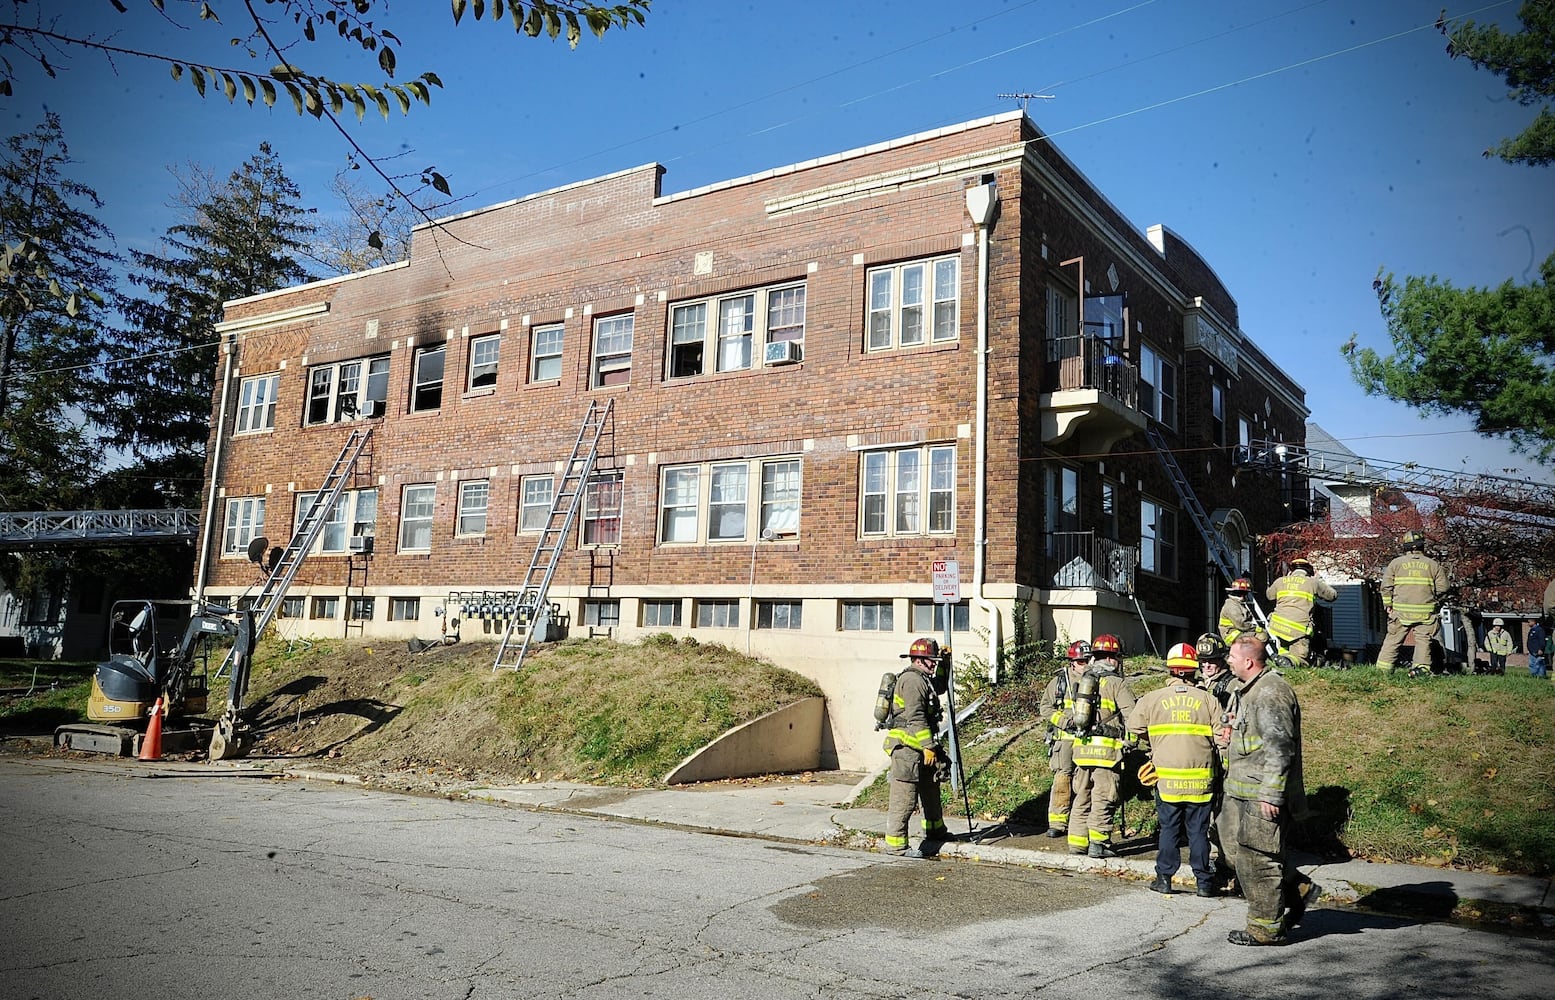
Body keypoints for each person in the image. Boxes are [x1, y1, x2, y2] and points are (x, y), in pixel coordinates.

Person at [1221, 634, 1319, 946]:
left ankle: (1265, 928)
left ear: (1249, 661)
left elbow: (1280, 748)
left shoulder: (1270, 693)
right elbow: (1243, 729)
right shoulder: (1246, 690)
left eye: (1232, 657)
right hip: (1240, 789)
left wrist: (1272, 794)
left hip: (1260, 794)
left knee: (1258, 860)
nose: (1228, 661)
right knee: (1234, 853)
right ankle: (1297, 888)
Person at [1127, 642, 1218, 897]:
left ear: (1170, 670)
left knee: (1169, 829)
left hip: (1167, 779)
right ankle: (1203, 883)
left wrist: (1156, 740)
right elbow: (1223, 736)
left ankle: (1165, 879)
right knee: (1198, 831)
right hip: (1201, 780)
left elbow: (1134, 728)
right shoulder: (1208, 700)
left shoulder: (1151, 700)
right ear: (1194, 671)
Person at [1065, 633, 1138, 858]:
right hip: (1106, 750)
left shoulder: (1082, 679)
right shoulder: (1117, 683)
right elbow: (1133, 717)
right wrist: (1130, 743)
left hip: (1082, 748)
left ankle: (1077, 842)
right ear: (1114, 658)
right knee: (1103, 796)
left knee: (1082, 794)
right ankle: (1099, 843)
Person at [881, 637, 950, 858]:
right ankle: (896, 844)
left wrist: (946, 663)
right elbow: (916, 717)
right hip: (907, 750)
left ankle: (935, 832)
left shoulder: (924, 678)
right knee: (905, 798)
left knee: (931, 789)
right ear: (919, 660)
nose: (934, 664)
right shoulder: (911, 681)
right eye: (932, 660)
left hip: (920, 748)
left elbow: (939, 687)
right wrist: (929, 746)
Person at [1196, 631, 1241, 890]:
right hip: (1204, 757)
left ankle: (1229, 867)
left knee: (1225, 816)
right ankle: (1220, 861)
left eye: (1211, 661)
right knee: (1211, 814)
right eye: (1203, 662)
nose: (1207, 666)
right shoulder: (1200, 685)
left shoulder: (1231, 686)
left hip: (1225, 757)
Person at [1375, 530, 1450, 676]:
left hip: (1400, 612)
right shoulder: (1433, 565)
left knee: (1393, 641)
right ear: (1422, 546)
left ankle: (1383, 671)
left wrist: (1388, 605)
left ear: (1406, 547)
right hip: (1426, 613)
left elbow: (1385, 587)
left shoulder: (1395, 564)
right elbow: (1443, 588)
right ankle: (1420, 670)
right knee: (1423, 641)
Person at [1040, 640, 1092, 838]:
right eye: (1080, 661)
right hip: (1065, 740)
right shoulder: (1060, 682)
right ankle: (1058, 822)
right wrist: (1064, 721)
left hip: (1088, 738)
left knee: (1085, 780)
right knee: (1063, 779)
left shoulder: (1096, 680)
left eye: (1088, 660)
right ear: (1072, 662)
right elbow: (1045, 707)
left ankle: (1081, 822)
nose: (1085, 664)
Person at [1265, 557, 1336, 668]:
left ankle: (1283, 663)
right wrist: (1320, 580)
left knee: (1283, 649)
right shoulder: (1313, 582)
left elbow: (1269, 595)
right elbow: (1332, 596)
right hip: (1298, 628)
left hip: (1278, 625)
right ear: (1308, 570)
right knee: (1302, 659)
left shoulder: (1280, 581)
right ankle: (1291, 663)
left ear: (1291, 570)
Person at [1219, 576, 1258, 645]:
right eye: (1242, 593)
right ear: (1236, 593)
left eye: (1245, 594)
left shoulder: (1238, 604)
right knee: (1261, 636)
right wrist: (1254, 628)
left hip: (1238, 631)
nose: (1244, 596)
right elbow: (1241, 624)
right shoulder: (1231, 605)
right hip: (1231, 635)